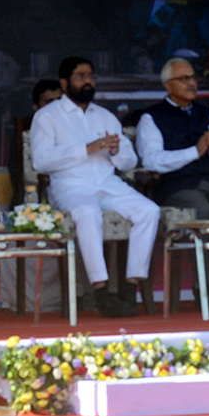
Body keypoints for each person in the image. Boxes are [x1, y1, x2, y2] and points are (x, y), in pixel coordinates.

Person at [30, 56, 160, 318]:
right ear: (65, 83)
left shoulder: (105, 116)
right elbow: (41, 160)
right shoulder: (47, 117)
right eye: (81, 76)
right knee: (88, 212)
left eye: (91, 75)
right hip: (70, 185)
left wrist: (115, 151)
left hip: (107, 183)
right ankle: (100, 290)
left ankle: (129, 287)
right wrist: (85, 150)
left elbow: (129, 161)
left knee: (150, 211)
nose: (88, 81)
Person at [136, 56, 209, 310]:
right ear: (168, 85)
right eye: (184, 79)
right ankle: (205, 288)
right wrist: (195, 150)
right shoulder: (151, 117)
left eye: (193, 78)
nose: (192, 83)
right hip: (176, 186)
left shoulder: (208, 113)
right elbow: (152, 161)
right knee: (203, 215)